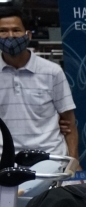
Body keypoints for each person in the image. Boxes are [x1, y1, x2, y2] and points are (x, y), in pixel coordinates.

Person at [0, 8, 79, 162]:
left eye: (16, 30)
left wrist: (73, 163)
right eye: (3, 31)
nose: (10, 36)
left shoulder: (52, 72)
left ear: (28, 35)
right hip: (5, 162)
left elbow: (69, 123)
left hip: (50, 160)